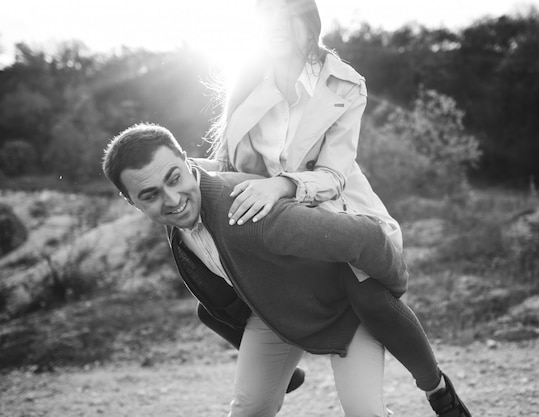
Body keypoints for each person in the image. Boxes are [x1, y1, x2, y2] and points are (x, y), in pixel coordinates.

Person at [203, 0, 472, 416]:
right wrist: (181, 172)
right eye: (263, 16)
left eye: (283, 14)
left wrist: (283, 185)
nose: (273, 25)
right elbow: (228, 164)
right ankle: (277, 357)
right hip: (277, 243)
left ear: (306, 21)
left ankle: (437, 388)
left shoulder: (345, 84)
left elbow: (334, 173)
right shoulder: (248, 77)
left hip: (338, 223)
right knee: (243, 390)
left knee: (364, 393)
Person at [103, 123, 470, 417]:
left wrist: (389, 291)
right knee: (248, 411)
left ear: (186, 162)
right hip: (276, 316)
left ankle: (441, 394)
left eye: (173, 178)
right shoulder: (179, 216)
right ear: (130, 200)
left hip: (344, 311)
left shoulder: (246, 213)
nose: (172, 200)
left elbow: (365, 237)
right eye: (149, 195)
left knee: (364, 413)